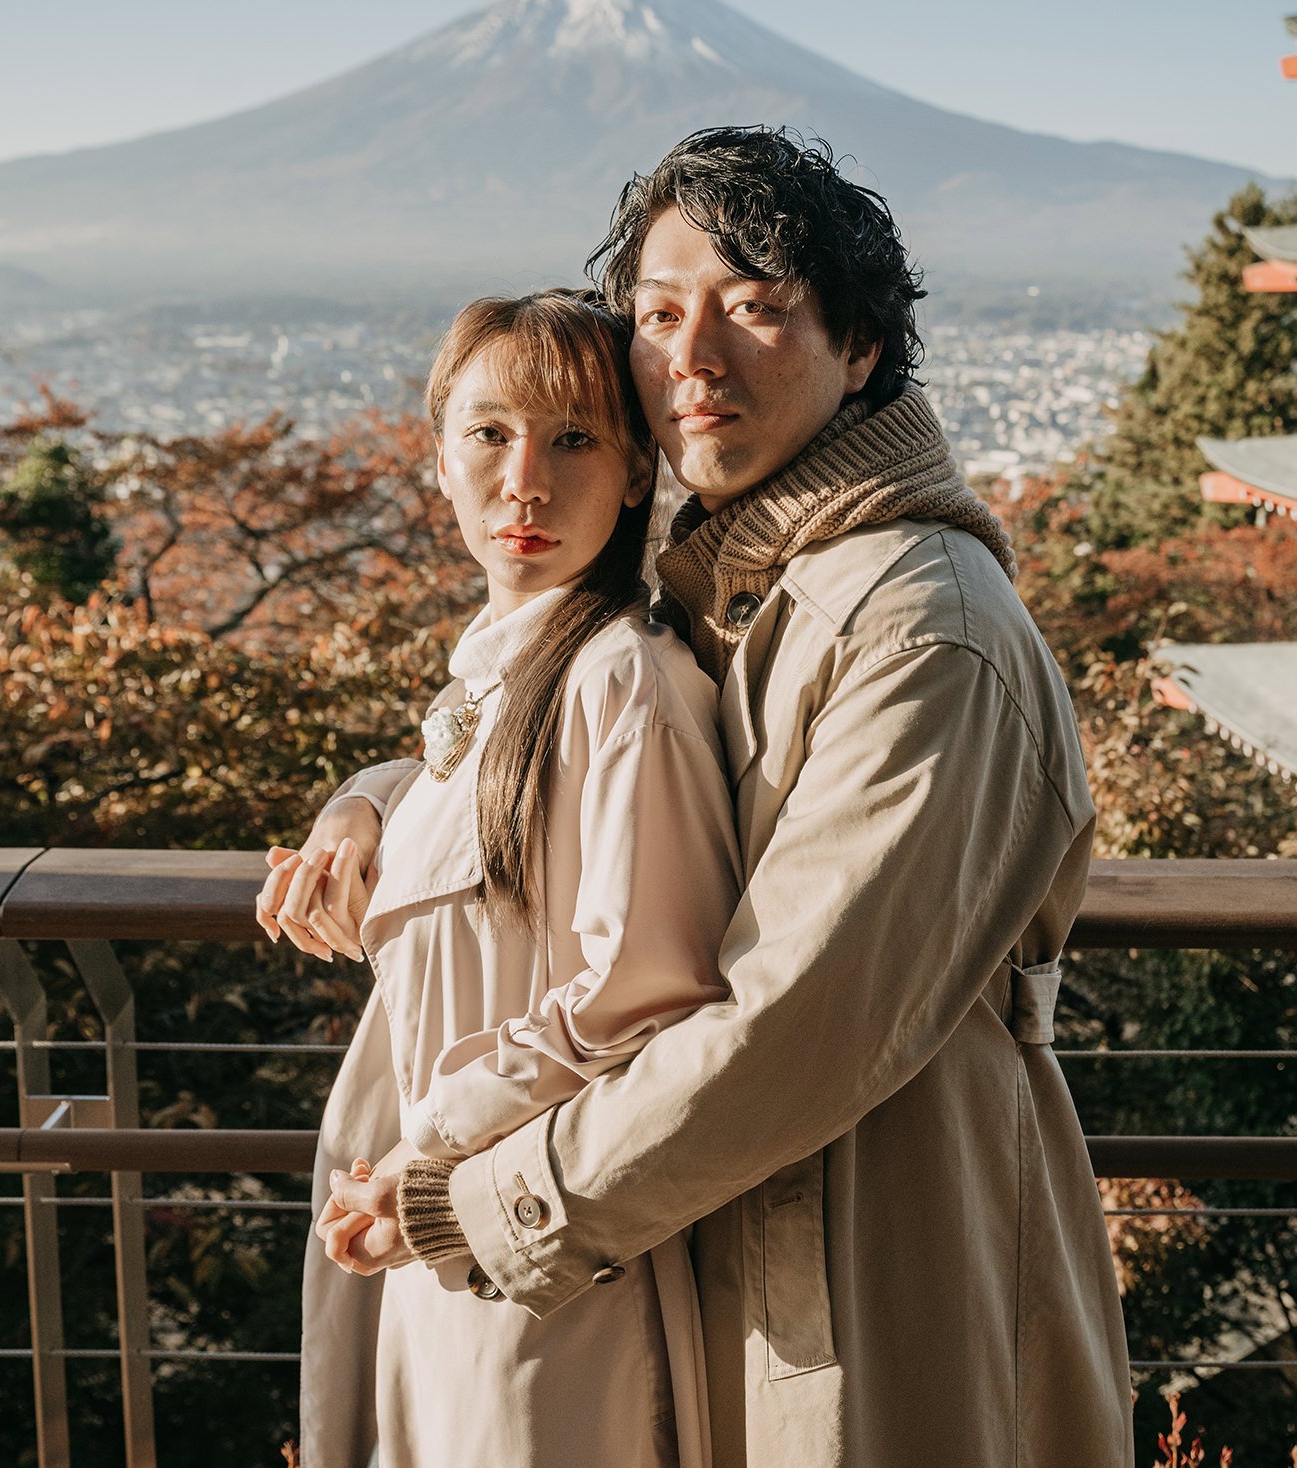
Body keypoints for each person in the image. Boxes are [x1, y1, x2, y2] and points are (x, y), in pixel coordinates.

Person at [267, 127, 1134, 1468]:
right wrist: (380, 794)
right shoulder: (743, 591)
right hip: (718, 1243)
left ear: (863, 351)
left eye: (759, 309)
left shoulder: (921, 631)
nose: (696, 359)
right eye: (661, 315)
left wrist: (485, 1203)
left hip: (884, 1249)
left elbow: (795, 1018)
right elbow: (559, 756)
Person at [263, 290, 738, 1467]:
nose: (525, 480)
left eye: (573, 438)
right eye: (489, 434)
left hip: (540, 1256)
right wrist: (360, 804)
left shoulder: (624, 677)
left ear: (637, 472)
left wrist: (426, 1155)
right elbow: (466, 802)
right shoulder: (500, 666)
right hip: (444, 1234)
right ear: (438, 457)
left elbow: (641, 993)